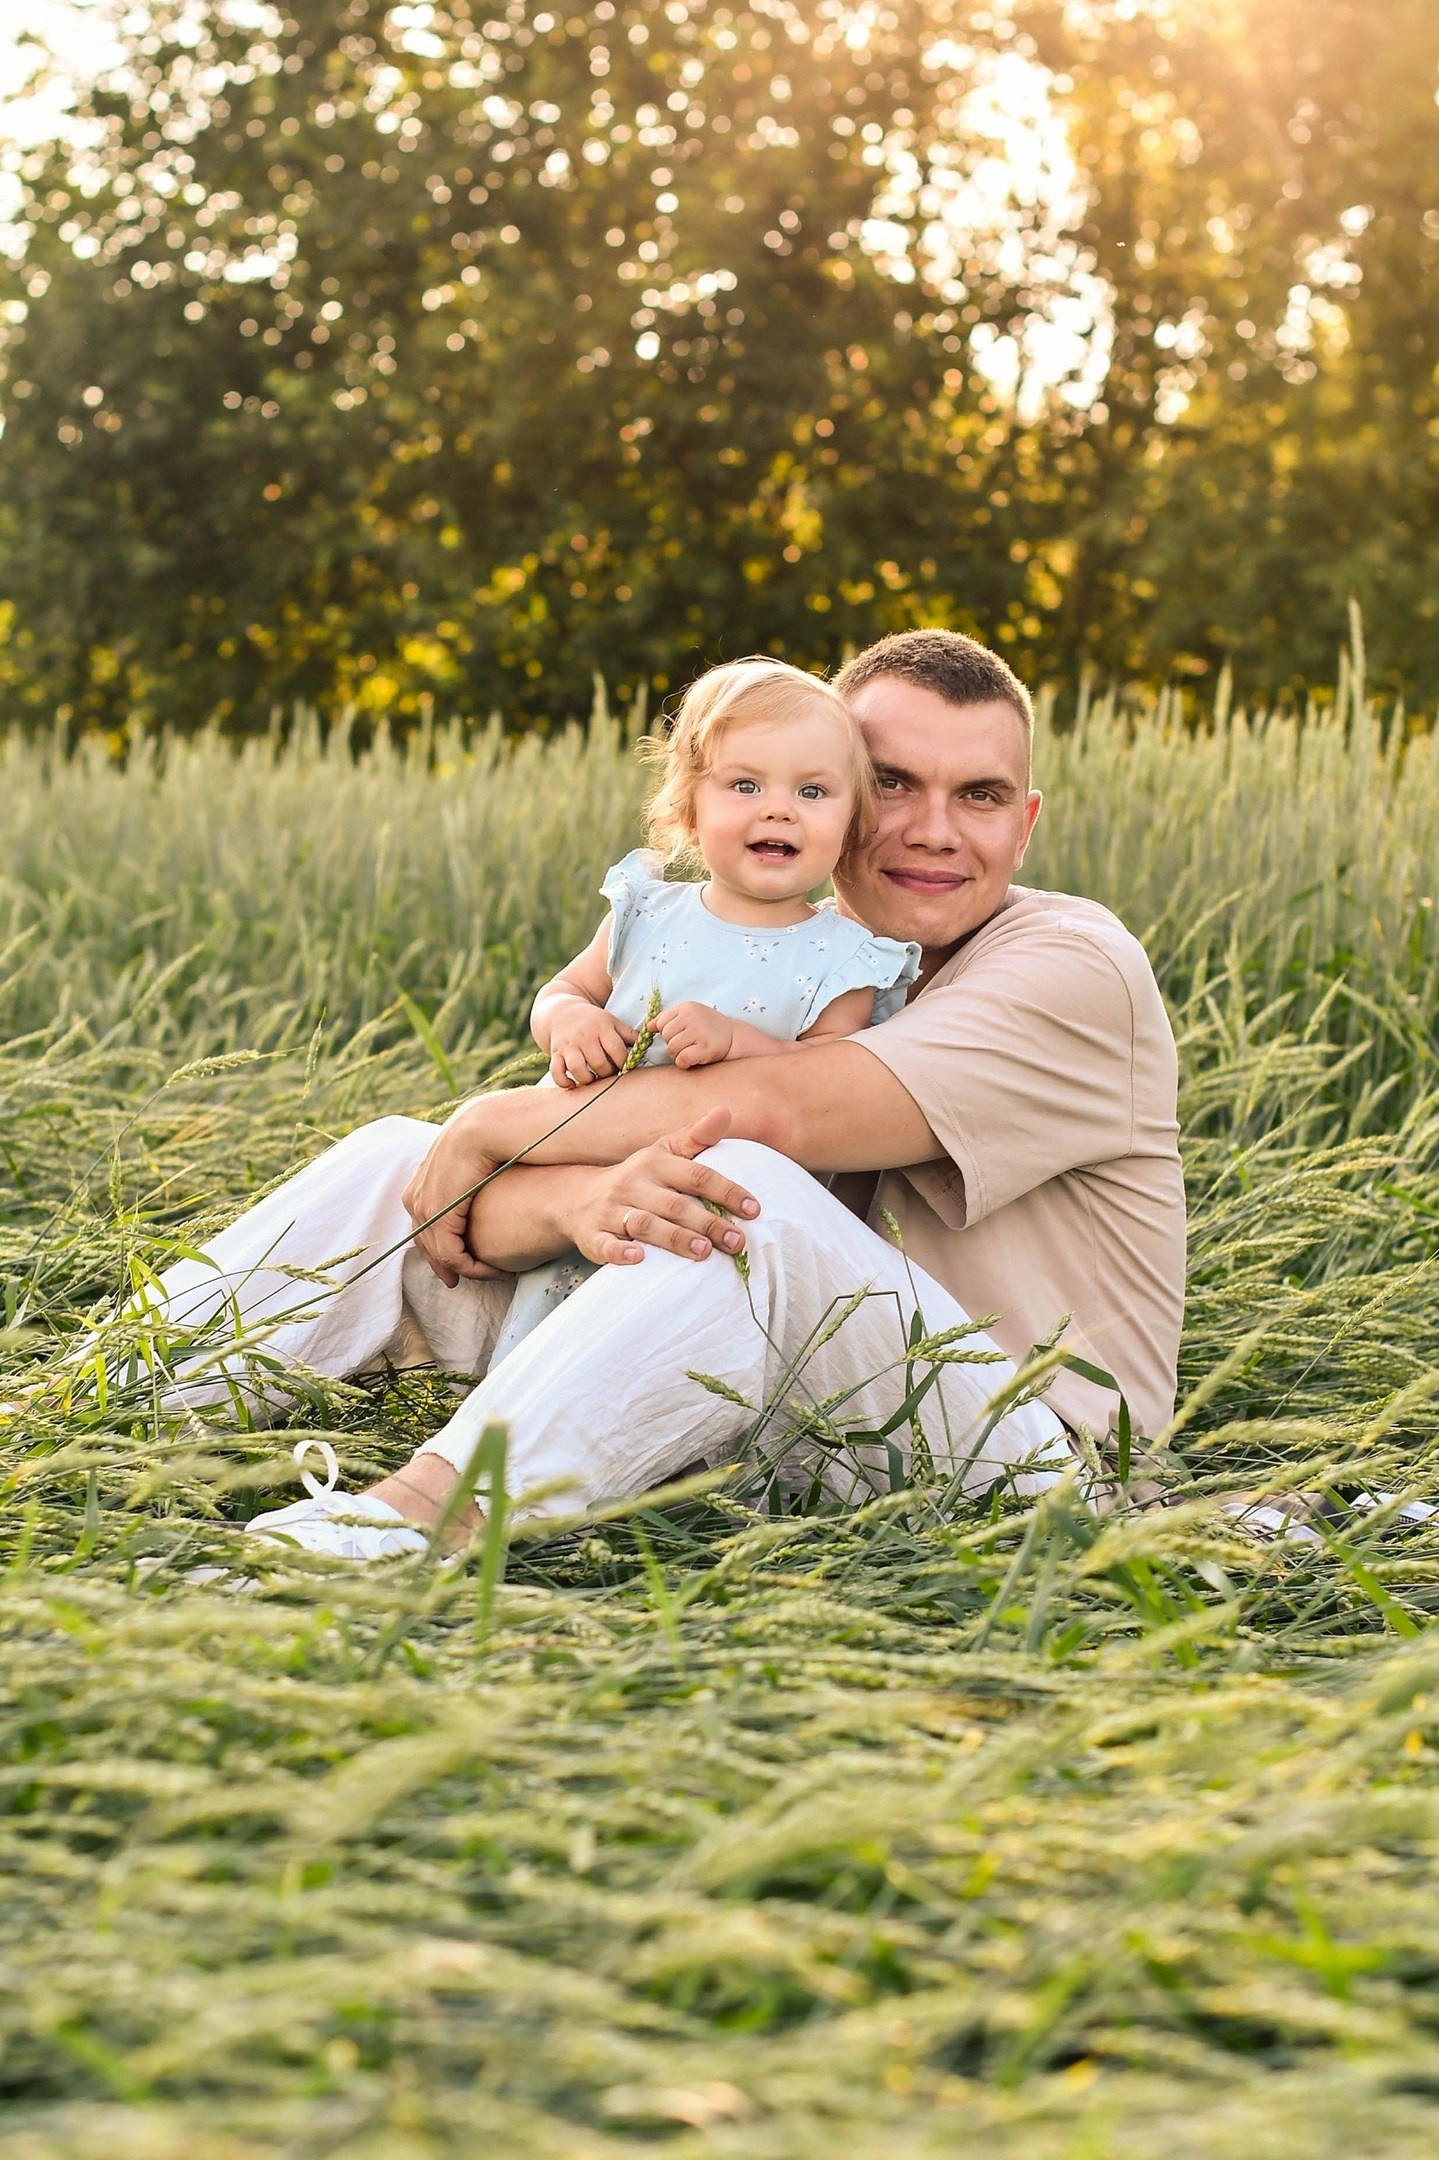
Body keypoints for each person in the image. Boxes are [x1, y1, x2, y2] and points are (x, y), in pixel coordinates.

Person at [146, 631, 1185, 1560]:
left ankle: (418, 1518)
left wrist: (494, 1121)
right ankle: (107, 1403)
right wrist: (555, 1199)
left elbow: (769, 1119)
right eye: (894, 785)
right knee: (393, 1158)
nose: (931, 830)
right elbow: (491, 1203)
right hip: (792, 1413)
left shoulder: (1070, 964)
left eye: (981, 795)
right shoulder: (811, 956)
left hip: (1021, 1467)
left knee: (740, 1185)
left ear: (1026, 822)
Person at [489, 654, 918, 1368]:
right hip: (578, 1186)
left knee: (671, 1369)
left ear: (851, 825)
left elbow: (830, 1074)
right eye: (744, 784)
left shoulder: (843, 959)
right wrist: (571, 1021)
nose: (777, 808)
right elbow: (561, 992)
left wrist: (737, 1039)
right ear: (688, 805)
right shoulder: (645, 911)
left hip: (708, 1224)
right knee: (552, 1357)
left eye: (812, 791)